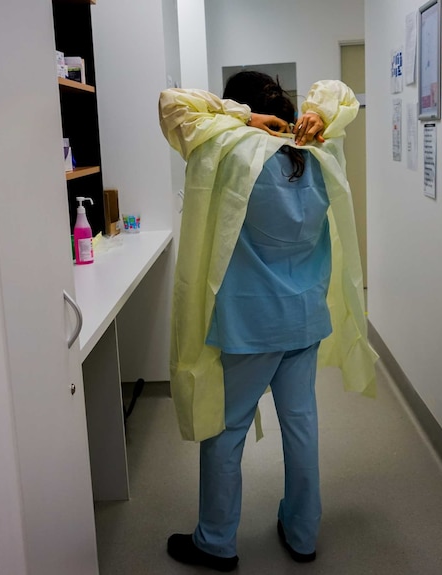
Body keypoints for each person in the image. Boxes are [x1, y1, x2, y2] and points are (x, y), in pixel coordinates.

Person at [158, 72, 378, 572]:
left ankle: (215, 542)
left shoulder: (232, 149)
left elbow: (172, 104)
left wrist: (238, 117)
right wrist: (318, 115)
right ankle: (302, 533)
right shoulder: (324, 153)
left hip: (250, 322)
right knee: (301, 427)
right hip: (303, 317)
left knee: (226, 430)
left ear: (240, 105)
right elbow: (341, 94)